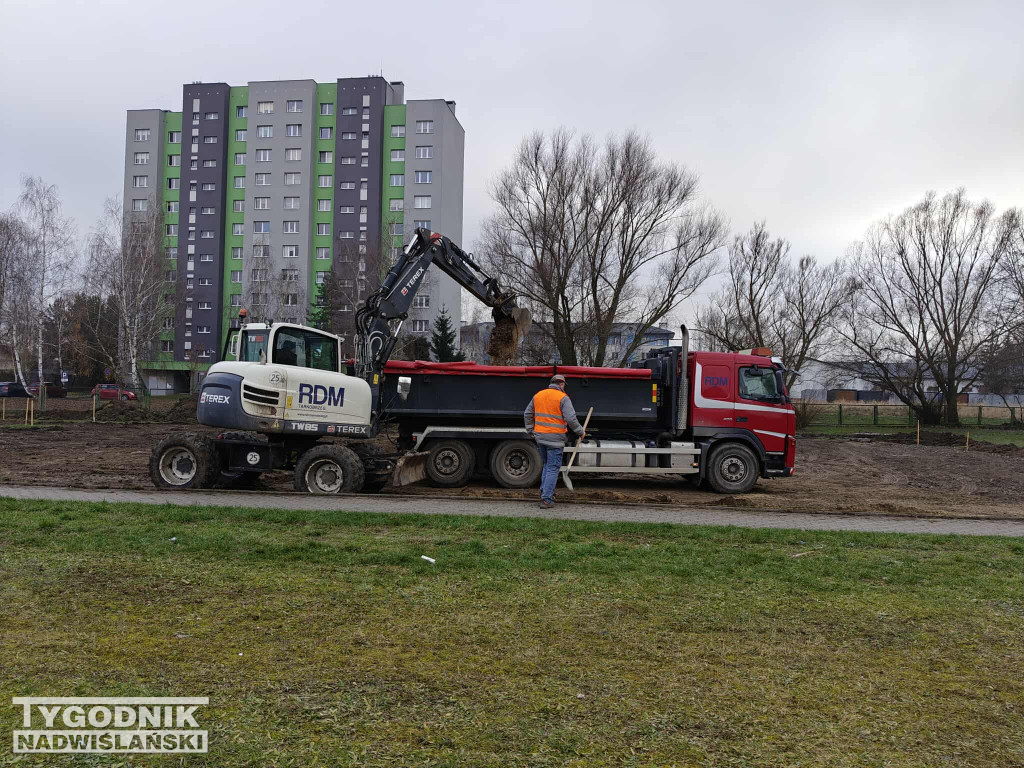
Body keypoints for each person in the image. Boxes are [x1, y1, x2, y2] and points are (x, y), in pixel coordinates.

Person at [524, 374, 584, 509]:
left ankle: (545, 492)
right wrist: (580, 431)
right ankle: (546, 499)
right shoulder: (563, 398)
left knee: (547, 465)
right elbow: (570, 418)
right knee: (552, 468)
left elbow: (527, 414)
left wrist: (530, 431)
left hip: (540, 438)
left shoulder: (538, 395)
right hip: (555, 439)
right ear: (562, 384)